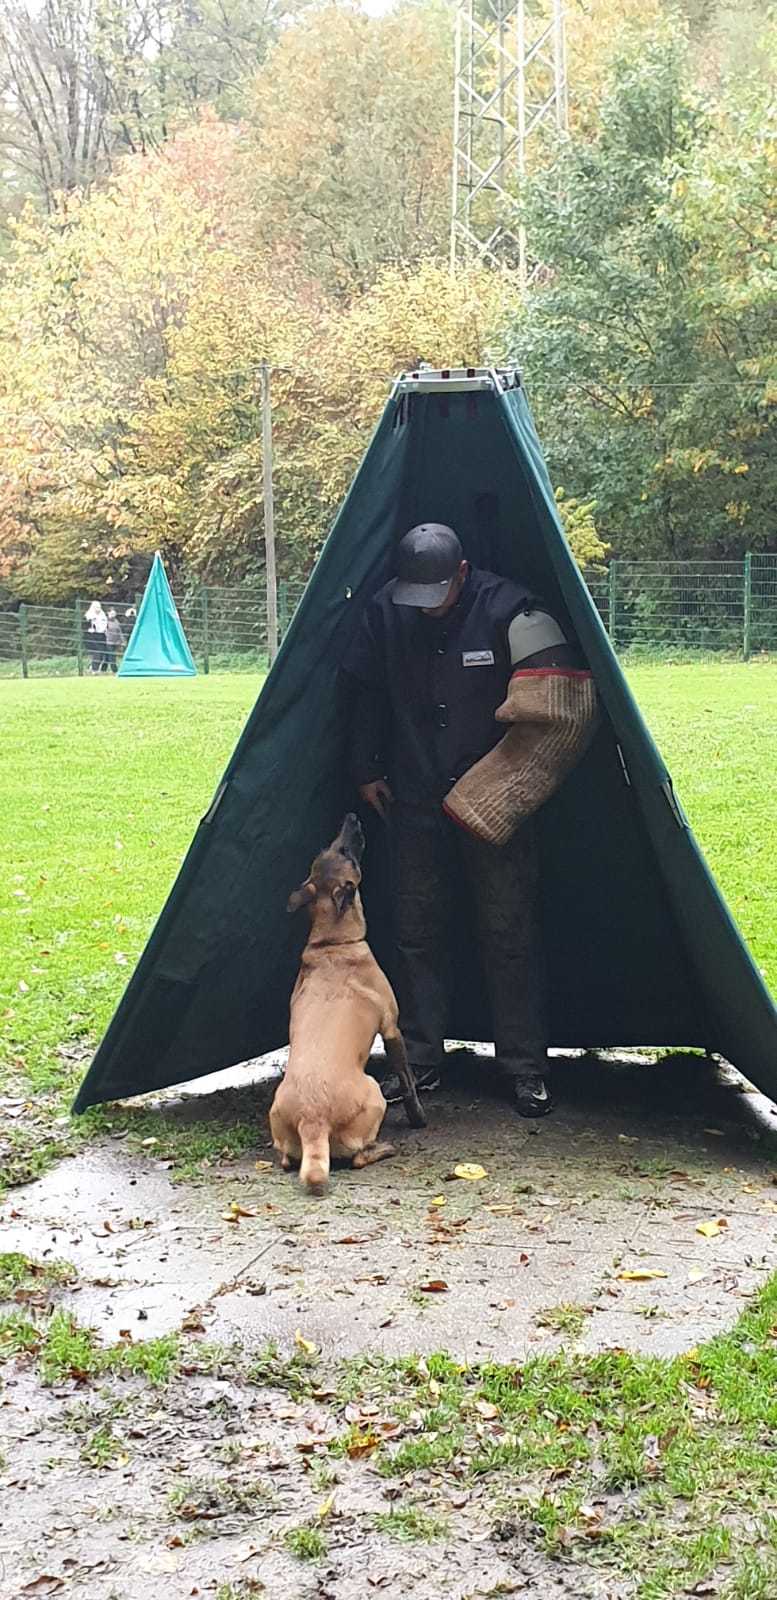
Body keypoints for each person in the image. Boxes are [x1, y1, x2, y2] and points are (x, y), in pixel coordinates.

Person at [342, 523, 585, 1118]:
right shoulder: (385, 611)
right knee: (416, 933)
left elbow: (562, 707)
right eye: (416, 596)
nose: (426, 608)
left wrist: (511, 789)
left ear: (463, 573)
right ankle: (420, 1061)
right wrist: (366, 767)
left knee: (510, 931)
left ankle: (525, 1069)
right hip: (413, 797)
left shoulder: (512, 609)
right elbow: (364, 693)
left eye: (438, 595)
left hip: (495, 804)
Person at [84, 602, 108, 673]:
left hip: (102, 635)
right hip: (92, 636)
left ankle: (92, 667)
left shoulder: (103, 615)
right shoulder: (88, 616)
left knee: (102, 653)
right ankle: (94, 669)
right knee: (97, 652)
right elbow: (85, 625)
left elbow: (105, 624)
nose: (98, 609)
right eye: (96, 607)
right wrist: (89, 629)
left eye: (99, 607)